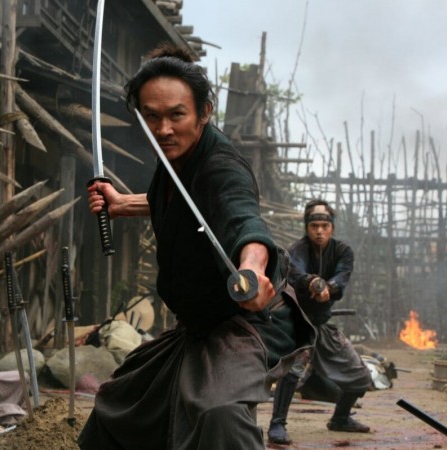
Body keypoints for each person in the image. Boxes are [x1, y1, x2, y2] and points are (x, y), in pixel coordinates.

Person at [79, 44, 314, 450]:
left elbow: (243, 220)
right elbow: (185, 203)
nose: (163, 129)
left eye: (176, 115)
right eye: (151, 116)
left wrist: (252, 270)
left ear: (204, 112)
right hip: (196, 326)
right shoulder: (178, 157)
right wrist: (123, 204)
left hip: (244, 323)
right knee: (116, 407)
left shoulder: (222, 167)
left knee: (218, 413)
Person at [267, 199, 373, 445]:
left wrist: (329, 287)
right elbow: (297, 272)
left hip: (323, 325)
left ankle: (341, 418)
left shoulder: (343, 251)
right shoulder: (297, 250)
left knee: (360, 376)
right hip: (297, 323)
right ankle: (277, 424)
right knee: (292, 370)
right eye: (314, 226)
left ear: (332, 227)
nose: (319, 231)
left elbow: (342, 278)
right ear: (307, 227)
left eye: (325, 226)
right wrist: (313, 282)